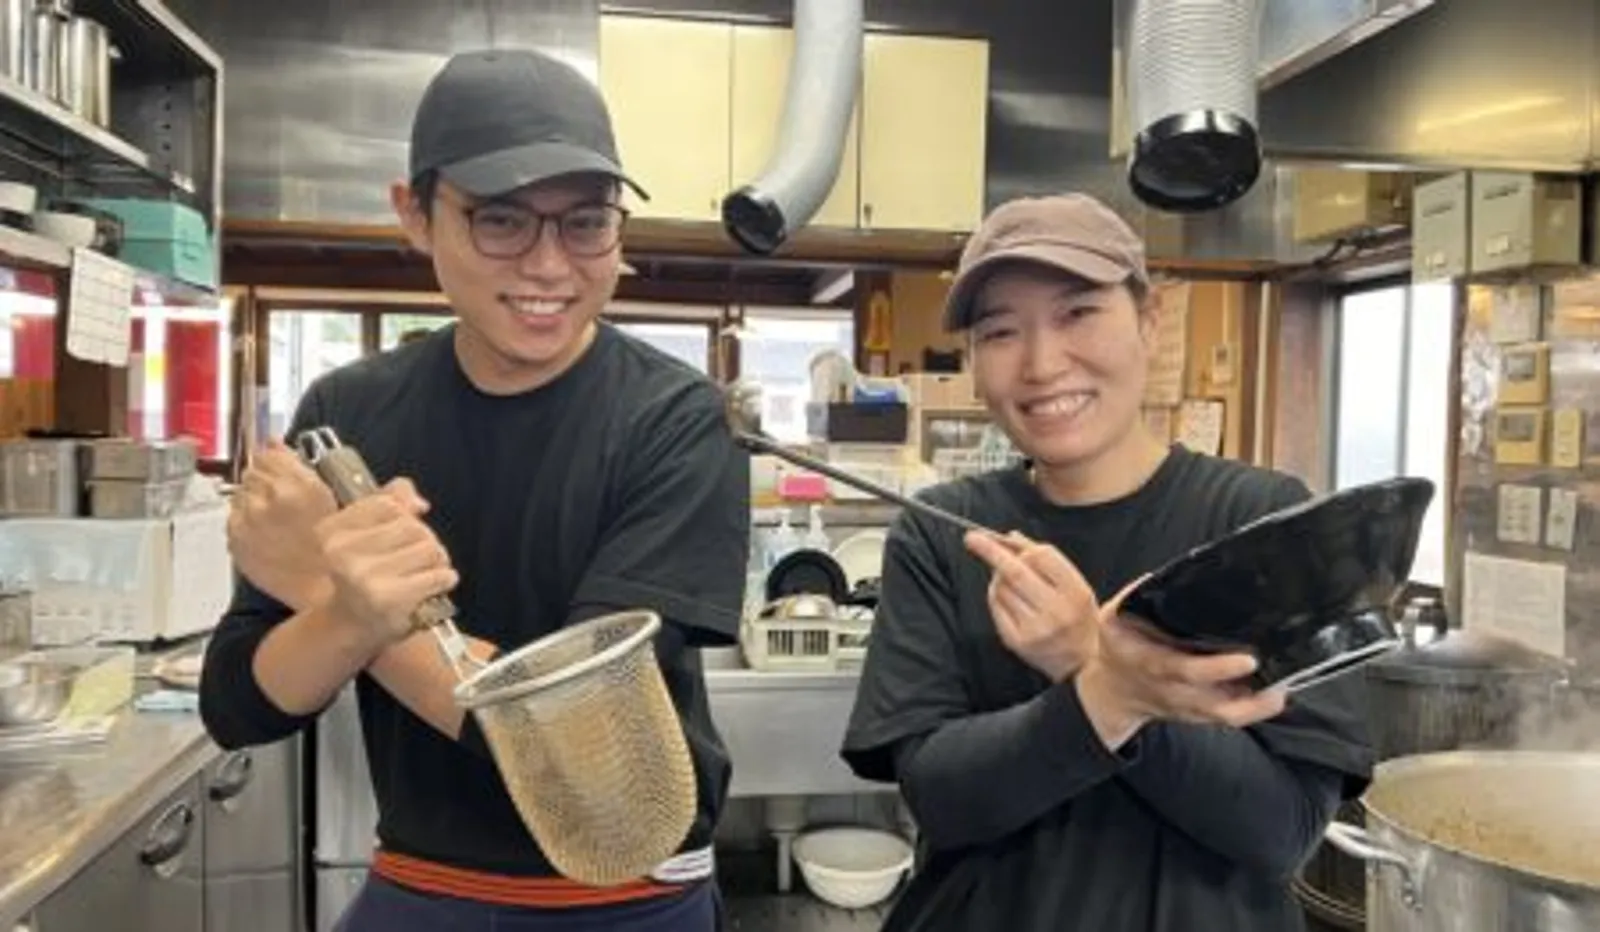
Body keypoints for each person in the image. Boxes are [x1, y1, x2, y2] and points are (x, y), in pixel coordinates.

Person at [199, 48, 749, 931]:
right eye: (499, 219)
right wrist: (343, 612)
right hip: (420, 881)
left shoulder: (675, 420)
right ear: (415, 215)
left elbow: (596, 772)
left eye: (585, 222)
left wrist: (322, 587)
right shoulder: (346, 412)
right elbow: (238, 704)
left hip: (628, 895)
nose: (548, 265)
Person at [840, 193, 1373, 932]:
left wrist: (1094, 661)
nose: (1041, 362)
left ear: (1150, 320)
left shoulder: (1264, 523)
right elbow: (941, 799)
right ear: (974, 360)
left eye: (1077, 313)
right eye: (1000, 331)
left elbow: (1280, 831)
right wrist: (1105, 694)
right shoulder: (943, 533)